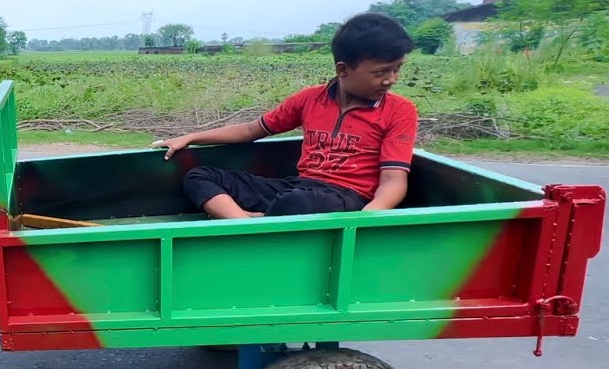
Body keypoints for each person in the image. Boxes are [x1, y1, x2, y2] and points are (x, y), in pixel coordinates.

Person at [153, 12, 418, 219]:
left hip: (346, 199)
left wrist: (367, 219)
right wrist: (191, 137)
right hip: (297, 188)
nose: (390, 80)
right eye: (381, 72)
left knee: (298, 202)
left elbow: (393, 181)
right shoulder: (310, 99)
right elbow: (250, 130)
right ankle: (248, 224)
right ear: (343, 69)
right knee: (199, 177)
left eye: (397, 69)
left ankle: (256, 222)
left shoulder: (399, 110)